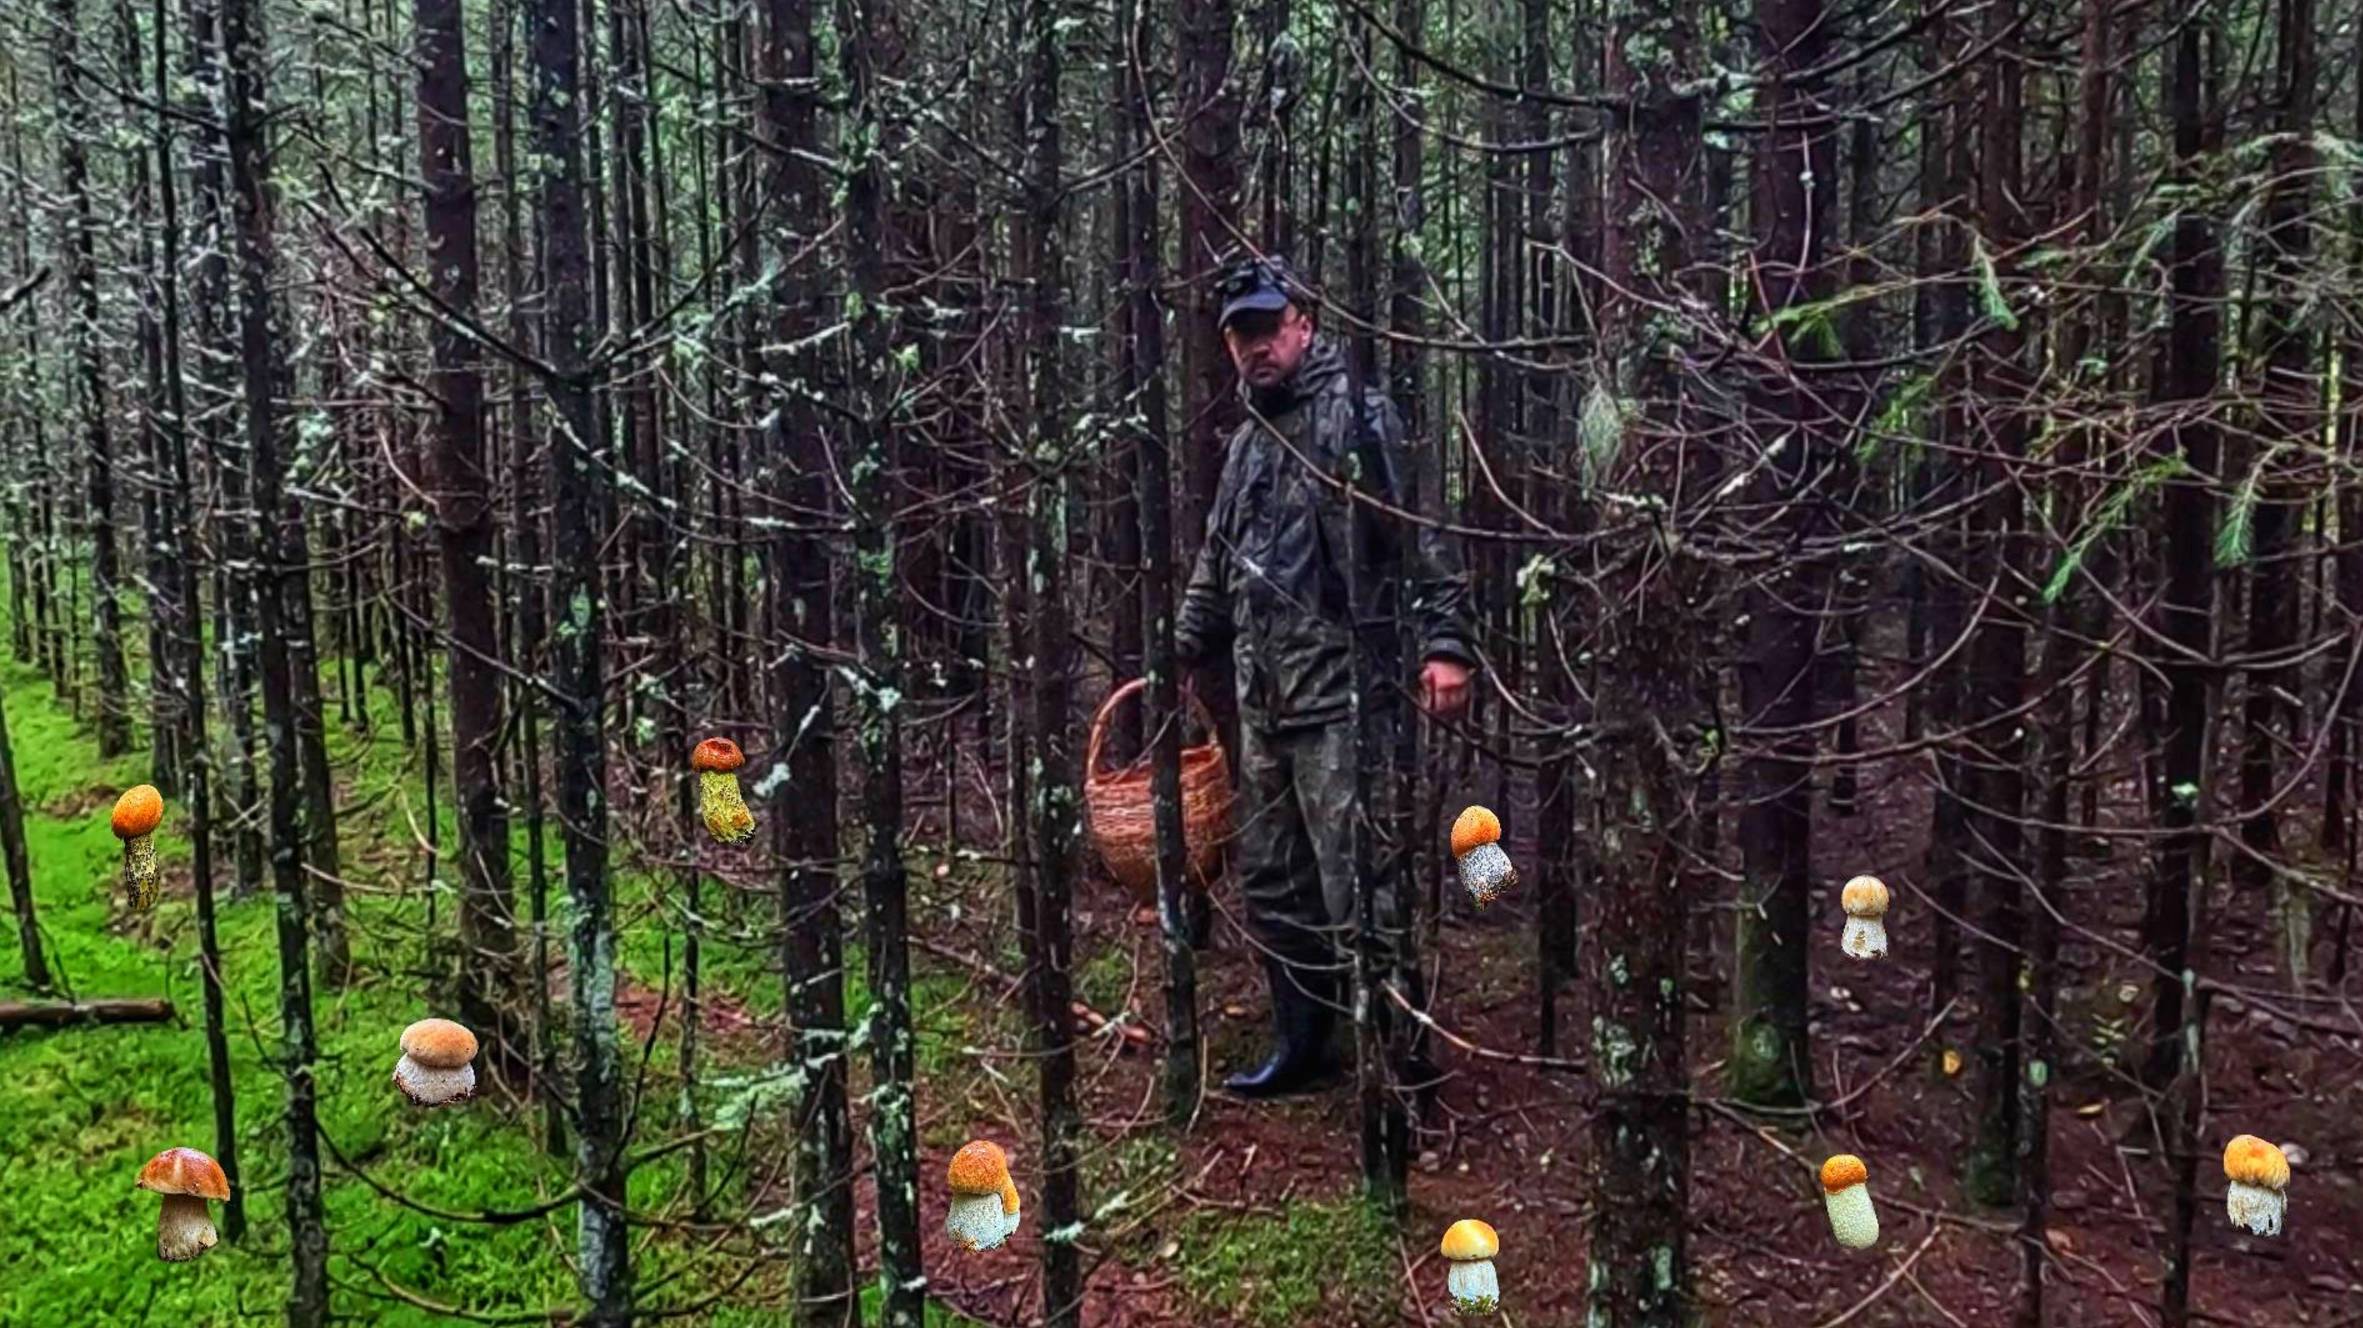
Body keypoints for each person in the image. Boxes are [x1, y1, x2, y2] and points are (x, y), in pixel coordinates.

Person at [1176, 253, 1476, 1098]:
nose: (1255, 348)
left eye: (1268, 329)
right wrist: (1188, 641)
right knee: (1273, 878)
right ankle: (1303, 1047)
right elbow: (1217, 558)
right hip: (1263, 702)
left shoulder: (1357, 419)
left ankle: (1396, 1060)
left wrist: (1446, 642)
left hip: (1345, 701)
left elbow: (1420, 534)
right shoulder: (1246, 444)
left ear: (1303, 324)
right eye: (1240, 335)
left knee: (1360, 884)